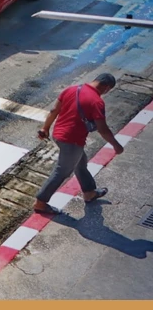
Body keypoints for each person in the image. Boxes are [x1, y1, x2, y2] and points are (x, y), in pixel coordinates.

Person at [33, 73, 124, 215]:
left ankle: (89, 192)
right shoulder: (96, 102)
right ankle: (40, 203)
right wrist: (116, 145)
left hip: (59, 135)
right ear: (106, 88)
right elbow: (102, 129)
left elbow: (53, 110)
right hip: (72, 140)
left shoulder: (71, 89)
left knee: (80, 163)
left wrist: (45, 128)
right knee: (61, 171)